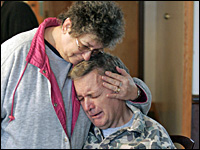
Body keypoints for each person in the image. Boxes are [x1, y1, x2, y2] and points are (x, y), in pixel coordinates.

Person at [1, 1, 151, 149]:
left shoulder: (91, 56)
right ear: (67, 26)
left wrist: (135, 93)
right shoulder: (12, 55)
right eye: (84, 46)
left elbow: (131, 104)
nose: (87, 57)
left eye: (95, 50)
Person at [69, 52, 176, 149]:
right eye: (81, 99)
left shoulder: (152, 136)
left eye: (94, 95)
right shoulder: (82, 131)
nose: (87, 107)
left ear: (118, 87)